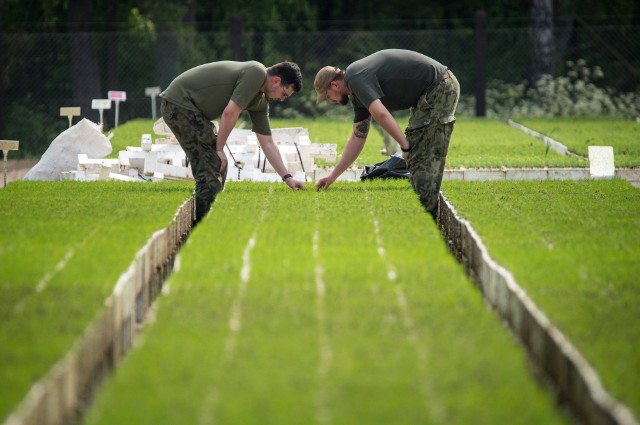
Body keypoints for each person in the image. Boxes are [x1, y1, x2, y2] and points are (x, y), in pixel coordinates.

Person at [314, 49, 460, 220]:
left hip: (440, 86)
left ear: (335, 85)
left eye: (328, 97)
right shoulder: (356, 92)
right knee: (417, 153)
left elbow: (380, 114)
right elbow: (357, 137)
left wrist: (405, 145)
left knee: (425, 152)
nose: (330, 101)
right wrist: (332, 177)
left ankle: (428, 216)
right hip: (429, 92)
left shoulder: (355, 77)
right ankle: (426, 212)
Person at [160, 60, 306, 223]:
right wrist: (219, 149)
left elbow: (267, 143)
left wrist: (287, 177)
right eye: (284, 94)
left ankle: (208, 220)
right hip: (179, 104)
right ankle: (201, 226)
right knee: (211, 169)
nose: (282, 99)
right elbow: (230, 113)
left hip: (189, 109)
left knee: (218, 166)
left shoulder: (260, 101)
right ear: (276, 81)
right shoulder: (257, 72)